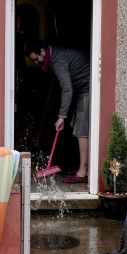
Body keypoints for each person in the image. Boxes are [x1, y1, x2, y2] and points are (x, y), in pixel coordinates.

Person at [26, 40, 90, 184]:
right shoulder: (54, 56)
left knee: (81, 130)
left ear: (42, 52)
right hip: (82, 90)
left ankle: (82, 173)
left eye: (36, 58)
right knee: (77, 127)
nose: (36, 62)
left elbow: (67, 89)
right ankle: (83, 167)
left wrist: (62, 116)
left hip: (88, 89)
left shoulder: (57, 62)